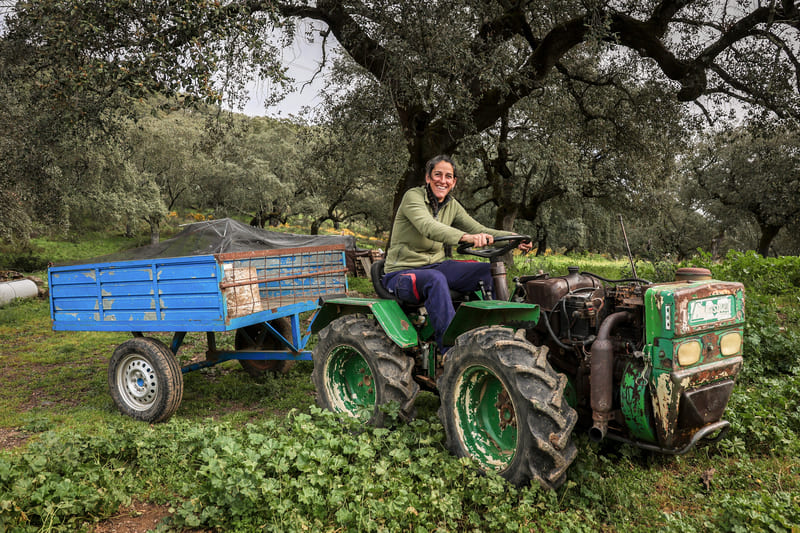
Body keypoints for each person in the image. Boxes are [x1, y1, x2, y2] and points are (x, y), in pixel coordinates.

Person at [382, 155, 532, 352]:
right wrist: (466, 237)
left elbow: (478, 228)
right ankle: (451, 350)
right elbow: (428, 227)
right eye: (437, 175)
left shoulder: (452, 205)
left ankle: (495, 335)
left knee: (487, 272)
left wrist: (513, 237)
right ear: (428, 177)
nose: (442, 181)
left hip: (435, 266)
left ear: (454, 182)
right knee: (434, 279)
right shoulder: (413, 196)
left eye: (448, 176)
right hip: (402, 273)